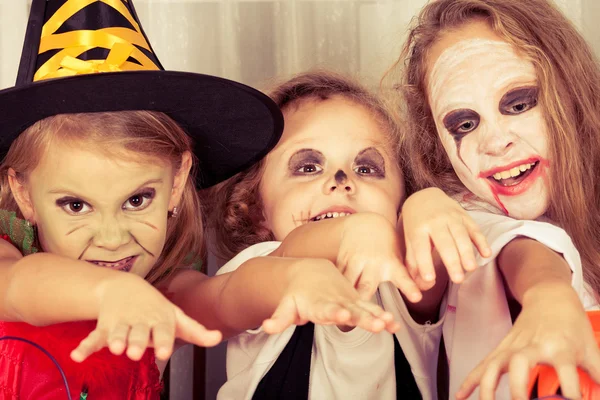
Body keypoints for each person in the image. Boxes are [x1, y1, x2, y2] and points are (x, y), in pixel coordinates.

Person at [0, 1, 392, 399]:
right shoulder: (7, 263)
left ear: (176, 182)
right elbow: (17, 288)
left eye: (137, 200)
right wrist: (108, 292)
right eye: (76, 205)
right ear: (23, 193)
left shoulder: (162, 294)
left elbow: (229, 296)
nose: (112, 237)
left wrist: (291, 277)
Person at [209, 70, 491, 400]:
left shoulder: (403, 289)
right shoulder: (257, 268)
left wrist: (428, 204)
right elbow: (290, 254)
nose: (342, 181)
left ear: (399, 204)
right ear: (255, 209)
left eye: (367, 168)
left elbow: (437, 261)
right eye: (308, 167)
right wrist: (357, 229)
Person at [386, 0, 600, 398]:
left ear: (570, 93)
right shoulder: (466, 214)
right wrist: (547, 295)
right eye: (464, 124)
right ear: (438, 142)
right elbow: (514, 244)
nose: (495, 143)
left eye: (519, 104)